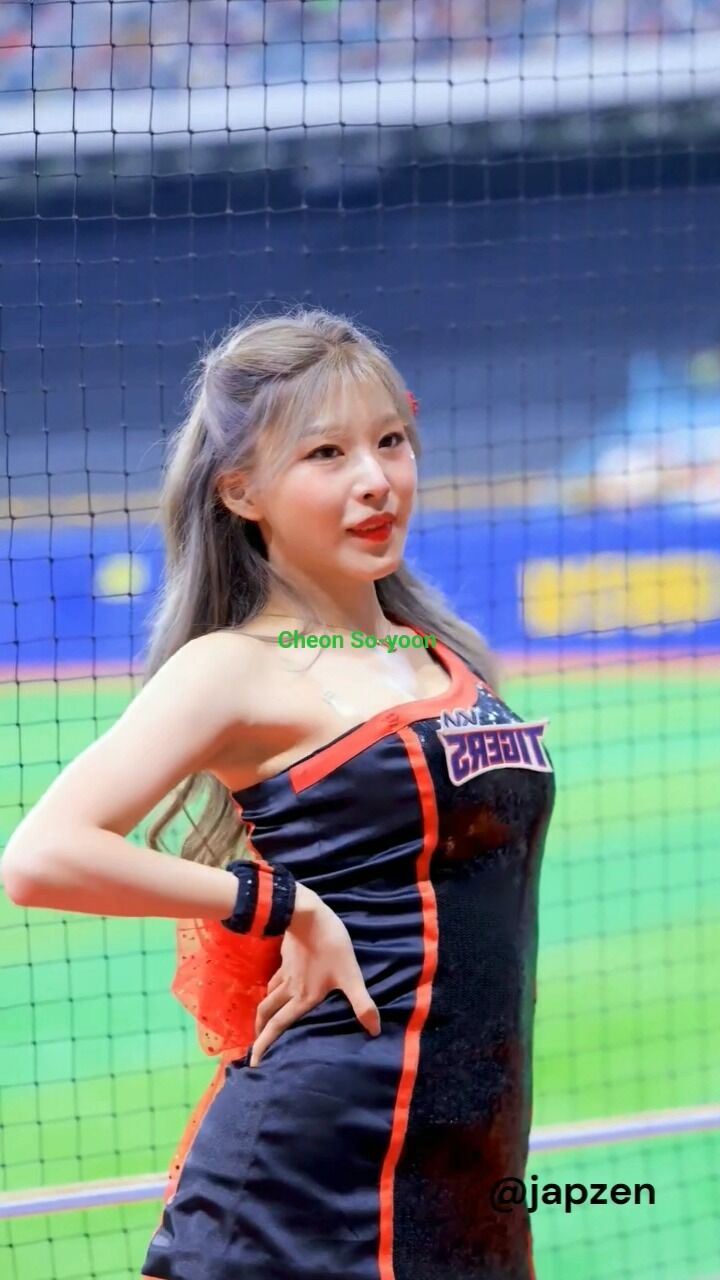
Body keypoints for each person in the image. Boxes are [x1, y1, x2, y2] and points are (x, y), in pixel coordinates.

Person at [2, 306, 556, 1280]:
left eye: (391, 440)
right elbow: (41, 856)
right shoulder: (235, 666)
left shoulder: (442, 655)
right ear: (242, 490)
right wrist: (280, 902)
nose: (375, 478)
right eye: (326, 453)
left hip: (466, 1179)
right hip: (302, 1186)